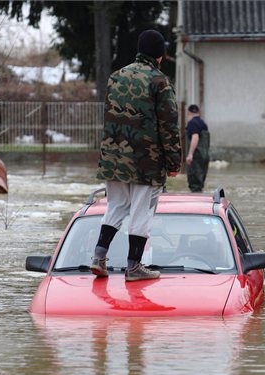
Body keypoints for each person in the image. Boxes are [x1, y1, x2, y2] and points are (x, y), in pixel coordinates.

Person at [90, 29, 182, 282]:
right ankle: (134, 267)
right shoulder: (159, 81)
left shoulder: (115, 77)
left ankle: (98, 258)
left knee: (116, 206)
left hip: (114, 155)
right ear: (160, 55)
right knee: (142, 212)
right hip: (146, 160)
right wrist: (174, 162)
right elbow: (169, 126)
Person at [185, 104, 210, 192]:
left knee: (194, 183)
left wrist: (190, 154)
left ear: (189, 113)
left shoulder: (192, 123)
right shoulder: (203, 123)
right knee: (200, 183)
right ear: (199, 113)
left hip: (196, 156)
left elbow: (195, 137)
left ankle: (195, 203)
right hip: (204, 156)